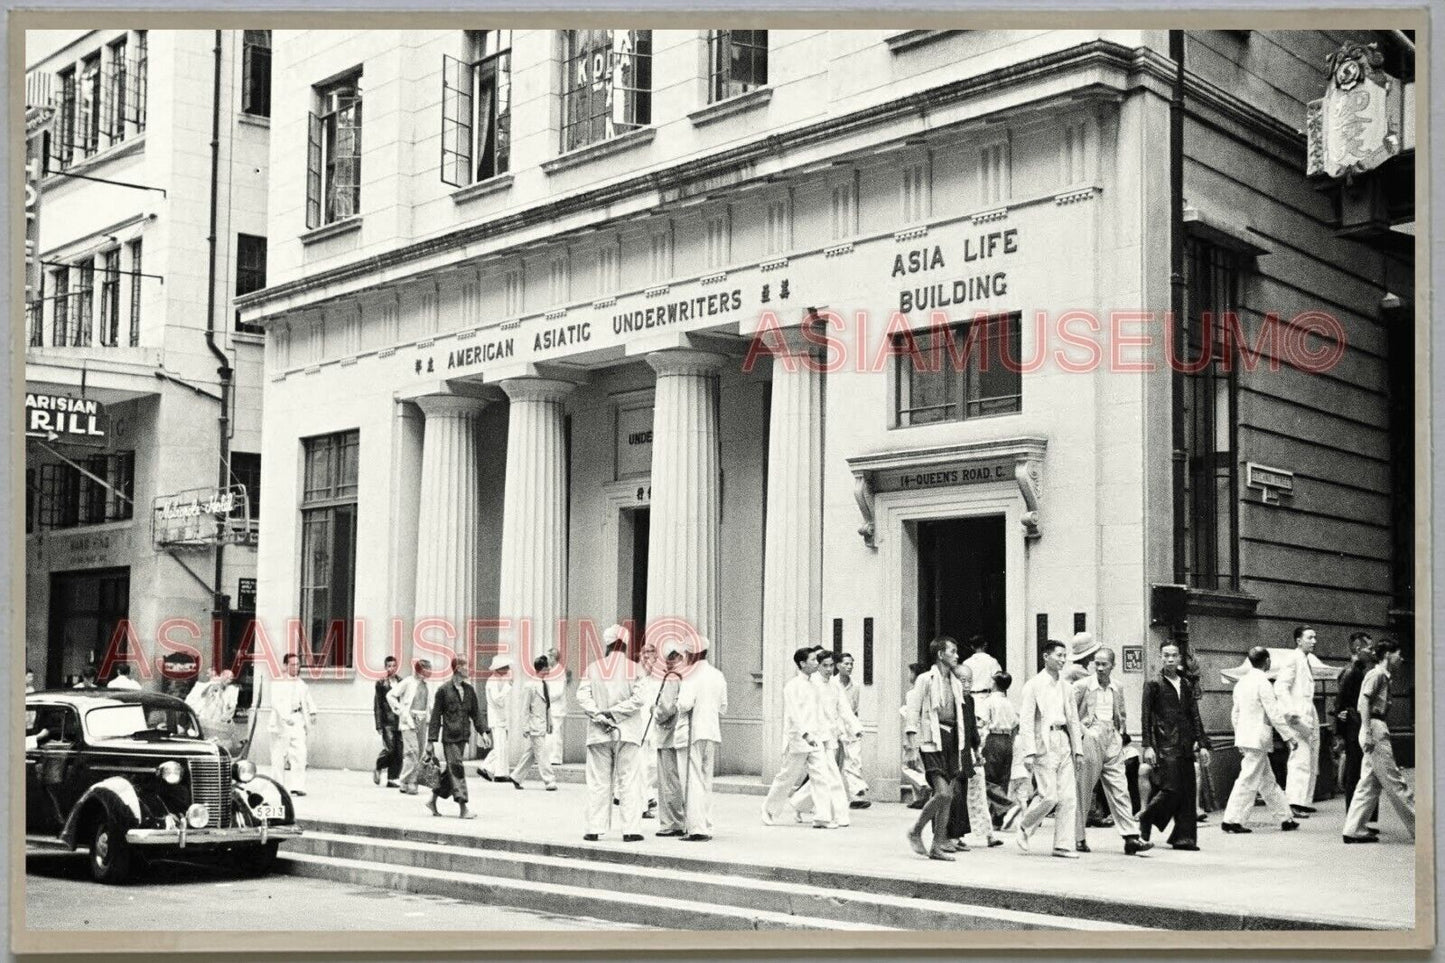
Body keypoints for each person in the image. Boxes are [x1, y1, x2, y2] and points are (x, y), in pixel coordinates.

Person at [1073, 647, 1151, 855]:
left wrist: (1119, 732)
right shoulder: (1082, 686)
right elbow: (1070, 713)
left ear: (1112, 666)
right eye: (1096, 664)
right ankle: (1078, 837)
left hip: (1112, 737)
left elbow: (1122, 713)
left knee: (1120, 786)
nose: (1099, 668)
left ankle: (1131, 837)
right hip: (1091, 736)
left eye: (1103, 664)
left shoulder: (1117, 687)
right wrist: (1085, 732)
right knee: (1084, 788)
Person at [1137, 642, 1214, 850]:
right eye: (1166, 655)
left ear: (1179, 658)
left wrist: (1203, 743)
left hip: (1186, 743)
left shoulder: (1186, 684)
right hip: (1164, 743)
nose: (1170, 659)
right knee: (1171, 788)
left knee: (1188, 791)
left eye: (1173, 655)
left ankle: (1184, 838)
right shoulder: (1153, 683)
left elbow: (1194, 715)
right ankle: (1146, 819)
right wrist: (1148, 746)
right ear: (1160, 657)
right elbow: (1145, 717)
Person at [575, 627, 648, 842]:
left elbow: (583, 697)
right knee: (629, 779)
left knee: (598, 780)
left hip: (599, 732)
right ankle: (631, 830)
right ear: (625, 645)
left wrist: (600, 715)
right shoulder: (635, 669)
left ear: (607, 645)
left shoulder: (593, 668)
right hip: (627, 732)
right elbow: (639, 699)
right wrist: (614, 714)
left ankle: (593, 828)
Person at [1014, 640, 1085, 858]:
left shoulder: (1066, 687)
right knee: (1049, 796)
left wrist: (1078, 750)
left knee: (1068, 797)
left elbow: (1073, 720)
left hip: (1063, 739)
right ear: (1046, 657)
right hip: (1043, 742)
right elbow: (1026, 720)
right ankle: (1025, 825)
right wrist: (1028, 752)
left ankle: (1063, 844)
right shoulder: (1033, 685)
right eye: (1059, 655)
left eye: (1065, 656)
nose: (1063, 660)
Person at [902, 636, 970, 860]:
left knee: (948, 795)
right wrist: (911, 746)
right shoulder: (925, 679)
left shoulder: (956, 682)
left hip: (952, 740)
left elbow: (960, 716)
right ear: (941, 654)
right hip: (932, 739)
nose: (957, 655)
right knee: (942, 792)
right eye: (953, 651)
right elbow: (912, 711)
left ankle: (938, 844)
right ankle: (916, 830)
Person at [1342, 639, 1414, 843]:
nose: (1401, 658)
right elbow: (1363, 702)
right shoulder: (1378, 674)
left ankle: (1353, 829)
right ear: (1388, 654)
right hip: (1374, 727)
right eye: (1398, 654)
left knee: (1369, 783)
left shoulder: (1380, 675)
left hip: (1374, 726)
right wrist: (1367, 731)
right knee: (1395, 781)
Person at [1221, 647, 1299, 834]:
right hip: (1258, 738)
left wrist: (1239, 736)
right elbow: (1274, 713)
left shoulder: (1241, 683)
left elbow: (1235, 713)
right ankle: (1232, 820)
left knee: (1267, 780)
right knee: (1248, 780)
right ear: (1267, 661)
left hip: (1246, 737)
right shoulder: (1263, 683)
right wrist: (1289, 736)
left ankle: (1285, 817)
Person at [762, 646, 836, 830]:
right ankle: (769, 809)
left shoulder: (815, 685)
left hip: (816, 738)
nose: (816, 663)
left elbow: (819, 713)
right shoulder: (792, 686)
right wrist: (805, 734)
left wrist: (822, 734)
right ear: (802, 663)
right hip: (798, 738)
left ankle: (822, 817)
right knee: (787, 776)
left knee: (821, 776)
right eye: (812, 660)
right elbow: (794, 714)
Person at [789, 650, 856, 828]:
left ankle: (799, 803)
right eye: (824, 665)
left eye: (831, 665)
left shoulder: (834, 686)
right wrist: (810, 734)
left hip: (830, 735)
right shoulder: (813, 685)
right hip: (816, 736)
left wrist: (854, 727)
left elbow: (844, 708)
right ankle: (836, 815)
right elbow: (809, 713)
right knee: (828, 776)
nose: (828, 669)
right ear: (817, 666)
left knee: (826, 776)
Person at [675, 636, 728, 841]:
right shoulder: (717, 674)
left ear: (692, 654)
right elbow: (723, 706)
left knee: (691, 780)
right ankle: (706, 823)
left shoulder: (691, 675)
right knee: (705, 780)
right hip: (711, 731)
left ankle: (696, 828)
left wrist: (678, 701)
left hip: (692, 732)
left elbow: (684, 704)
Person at [426, 655, 491, 819]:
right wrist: (430, 741)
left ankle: (432, 800)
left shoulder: (469, 690)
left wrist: (483, 732)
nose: (469, 669)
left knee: (451, 770)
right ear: (458, 668)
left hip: (463, 737)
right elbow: (435, 717)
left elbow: (476, 714)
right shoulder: (443, 690)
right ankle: (463, 808)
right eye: (466, 666)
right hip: (449, 738)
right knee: (457, 769)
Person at [945, 662, 1000, 850]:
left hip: (965, 754)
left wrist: (977, 751)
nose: (967, 685)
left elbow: (971, 730)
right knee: (954, 796)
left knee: (962, 795)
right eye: (962, 681)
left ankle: (957, 835)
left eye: (970, 681)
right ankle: (948, 835)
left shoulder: (969, 701)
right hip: (951, 754)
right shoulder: (949, 700)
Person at [1273, 625, 1321, 818]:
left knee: (1310, 758)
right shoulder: (1293, 659)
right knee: (1299, 759)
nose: (1314, 641)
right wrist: (1291, 712)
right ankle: (1294, 802)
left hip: (1307, 713)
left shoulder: (1305, 660)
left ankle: (1303, 800)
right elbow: (1280, 686)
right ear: (1298, 640)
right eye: (1310, 637)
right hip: (1297, 716)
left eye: (1314, 637)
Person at [1333, 633, 1376, 810]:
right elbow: (1340, 702)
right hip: (1354, 727)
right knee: (1356, 772)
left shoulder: (1356, 671)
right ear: (1358, 649)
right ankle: (1355, 817)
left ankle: (1359, 817)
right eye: (1369, 648)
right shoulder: (1353, 672)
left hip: (1353, 726)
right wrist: (1340, 732)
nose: (1373, 652)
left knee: (1359, 772)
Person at [268, 653, 317, 796]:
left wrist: (313, 712)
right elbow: (276, 702)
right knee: (278, 756)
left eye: (298, 664)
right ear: (285, 666)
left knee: (300, 753)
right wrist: (285, 716)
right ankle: (278, 786)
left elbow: (307, 699)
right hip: (280, 722)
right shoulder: (278, 682)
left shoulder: (301, 684)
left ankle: (297, 785)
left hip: (297, 719)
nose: (296, 667)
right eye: (293, 664)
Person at [653, 642, 688, 836]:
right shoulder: (690, 674)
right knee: (681, 778)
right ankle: (682, 819)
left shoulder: (673, 677)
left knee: (669, 780)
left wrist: (655, 712)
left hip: (668, 734)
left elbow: (665, 708)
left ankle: (672, 822)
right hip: (684, 735)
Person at [509, 654, 558, 790]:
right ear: (542, 668)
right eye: (547, 666)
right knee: (542, 754)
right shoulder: (530, 686)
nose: (549, 669)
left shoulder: (545, 685)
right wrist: (525, 727)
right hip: (534, 725)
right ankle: (549, 780)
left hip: (542, 724)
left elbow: (547, 706)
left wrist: (550, 722)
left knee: (531, 754)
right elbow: (525, 708)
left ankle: (516, 776)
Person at [388, 659, 433, 794]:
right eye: (424, 670)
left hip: (423, 719)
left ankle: (413, 782)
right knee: (411, 751)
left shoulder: (427, 685)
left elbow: (430, 704)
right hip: (409, 720)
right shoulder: (408, 682)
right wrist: (401, 711)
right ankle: (404, 779)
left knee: (419, 752)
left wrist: (432, 720)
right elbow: (390, 695)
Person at [980, 670, 1019, 828]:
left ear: (994, 683)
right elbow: (1016, 723)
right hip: (1007, 739)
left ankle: (1007, 805)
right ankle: (998, 819)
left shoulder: (989, 701)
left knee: (988, 778)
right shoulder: (1009, 703)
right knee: (1003, 778)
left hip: (993, 738)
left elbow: (982, 721)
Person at [835, 652, 869, 808]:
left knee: (854, 759)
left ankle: (856, 795)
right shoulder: (833, 684)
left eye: (851, 664)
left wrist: (855, 726)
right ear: (838, 666)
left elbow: (855, 709)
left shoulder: (855, 686)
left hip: (850, 726)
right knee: (833, 763)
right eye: (846, 664)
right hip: (834, 726)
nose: (849, 667)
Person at [478, 655, 514, 782]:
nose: (508, 669)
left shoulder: (499, 680)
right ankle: (498, 773)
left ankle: (488, 768)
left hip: (501, 718)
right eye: (506, 667)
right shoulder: (493, 681)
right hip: (497, 718)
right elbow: (497, 700)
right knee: (500, 746)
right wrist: (508, 687)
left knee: (501, 746)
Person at [189, 669, 241, 746]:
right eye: (228, 678)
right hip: (208, 714)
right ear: (222, 676)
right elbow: (203, 696)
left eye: (231, 679)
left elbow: (229, 706)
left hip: (218, 717)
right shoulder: (212, 685)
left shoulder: (230, 689)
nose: (229, 680)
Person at [373, 656, 403, 787]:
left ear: (397, 667)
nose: (391, 668)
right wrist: (379, 725)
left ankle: (392, 778)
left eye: (393, 666)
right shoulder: (381, 684)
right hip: (387, 721)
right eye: (389, 666)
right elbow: (378, 705)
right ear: (385, 667)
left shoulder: (402, 682)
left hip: (400, 720)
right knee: (390, 749)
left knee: (399, 751)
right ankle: (379, 766)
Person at [959, 636, 1002, 715]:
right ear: (985, 644)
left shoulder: (966, 663)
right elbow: (999, 680)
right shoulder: (992, 662)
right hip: (987, 698)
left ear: (972, 646)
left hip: (970, 700)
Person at [545, 645, 570, 767]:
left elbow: (558, 692)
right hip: (552, 707)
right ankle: (550, 756)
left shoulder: (559, 672)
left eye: (549, 657)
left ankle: (556, 757)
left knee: (556, 733)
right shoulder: (551, 671)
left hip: (557, 707)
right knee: (551, 733)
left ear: (553, 658)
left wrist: (547, 697)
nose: (547, 659)